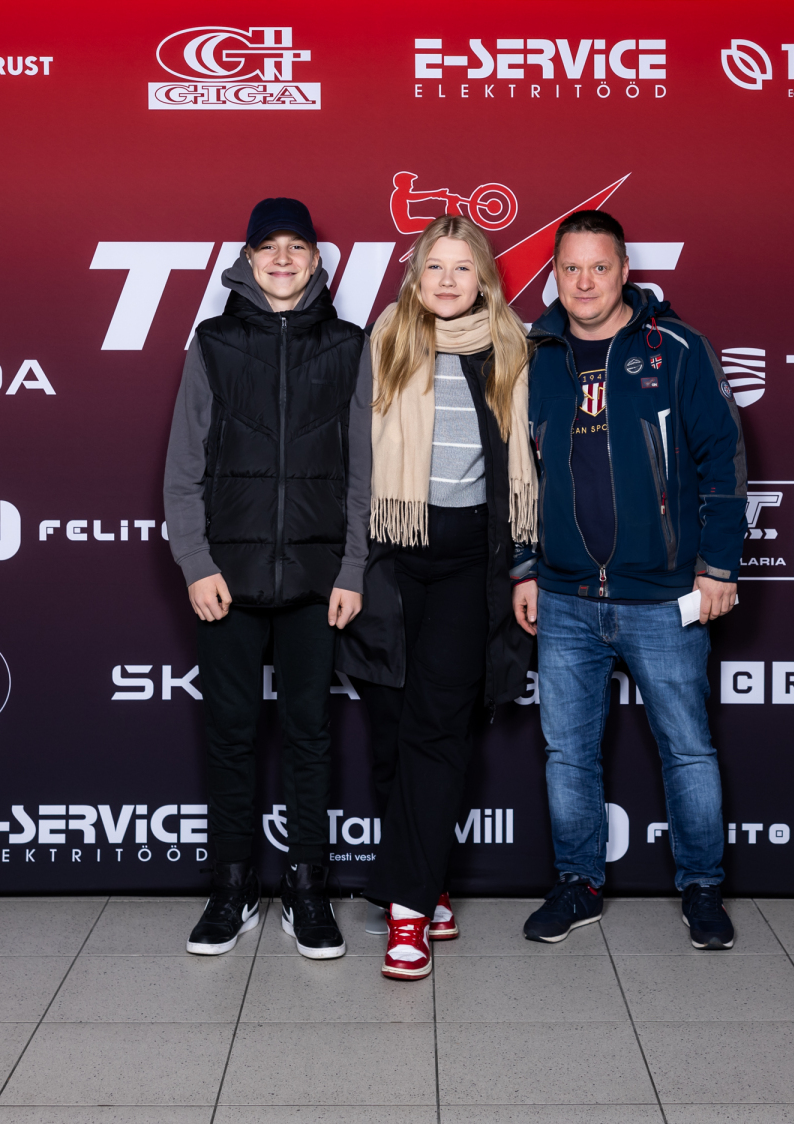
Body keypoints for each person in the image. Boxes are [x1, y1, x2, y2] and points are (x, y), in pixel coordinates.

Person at [513, 209, 745, 950]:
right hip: (564, 595)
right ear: (555, 274)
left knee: (688, 749)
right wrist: (523, 567)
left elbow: (723, 459)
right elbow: (517, 475)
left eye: (599, 266)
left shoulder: (675, 348)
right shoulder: (532, 355)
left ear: (624, 272)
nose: (584, 282)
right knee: (568, 754)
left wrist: (718, 566)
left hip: (664, 596)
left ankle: (702, 888)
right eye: (570, 268)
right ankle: (577, 883)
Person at [163, 198, 365, 960]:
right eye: (269, 247)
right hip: (228, 579)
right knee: (230, 736)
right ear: (247, 261)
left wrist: (352, 567)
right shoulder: (214, 343)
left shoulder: (348, 345)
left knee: (311, 736)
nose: (283, 259)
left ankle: (308, 889)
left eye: (296, 247)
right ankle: (233, 886)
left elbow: (363, 473)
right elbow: (183, 468)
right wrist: (197, 563)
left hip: (317, 579)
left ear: (316, 261)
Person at [338, 215, 537, 980]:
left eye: (462, 268)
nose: (448, 281)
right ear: (414, 278)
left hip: (468, 561)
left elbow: (532, 471)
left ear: (483, 279)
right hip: (389, 555)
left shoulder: (511, 348)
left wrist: (526, 567)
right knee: (392, 731)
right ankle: (430, 878)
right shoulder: (384, 342)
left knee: (437, 730)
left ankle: (409, 912)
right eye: (435, 268)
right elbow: (353, 466)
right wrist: (349, 570)